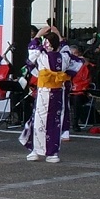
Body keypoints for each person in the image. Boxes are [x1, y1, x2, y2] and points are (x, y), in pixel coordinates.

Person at [21, 28, 72, 163]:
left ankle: (40, 151)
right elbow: (67, 50)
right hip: (56, 92)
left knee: (41, 120)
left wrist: (38, 35)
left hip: (46, 91)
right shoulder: (64, 57)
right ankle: (49, 152)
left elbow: (31, 54)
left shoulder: (41, 56)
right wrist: (59, 36)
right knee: (52, 121)